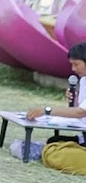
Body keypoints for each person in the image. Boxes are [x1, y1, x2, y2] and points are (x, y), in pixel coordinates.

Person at [25, 44, 86, 175]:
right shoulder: (84, 80)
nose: (73, 69)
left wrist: (46, 110)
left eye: (76, 64)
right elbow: (80, 111)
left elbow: (80, 112)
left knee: (58, 152)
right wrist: (74, 101)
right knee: (53, 142)